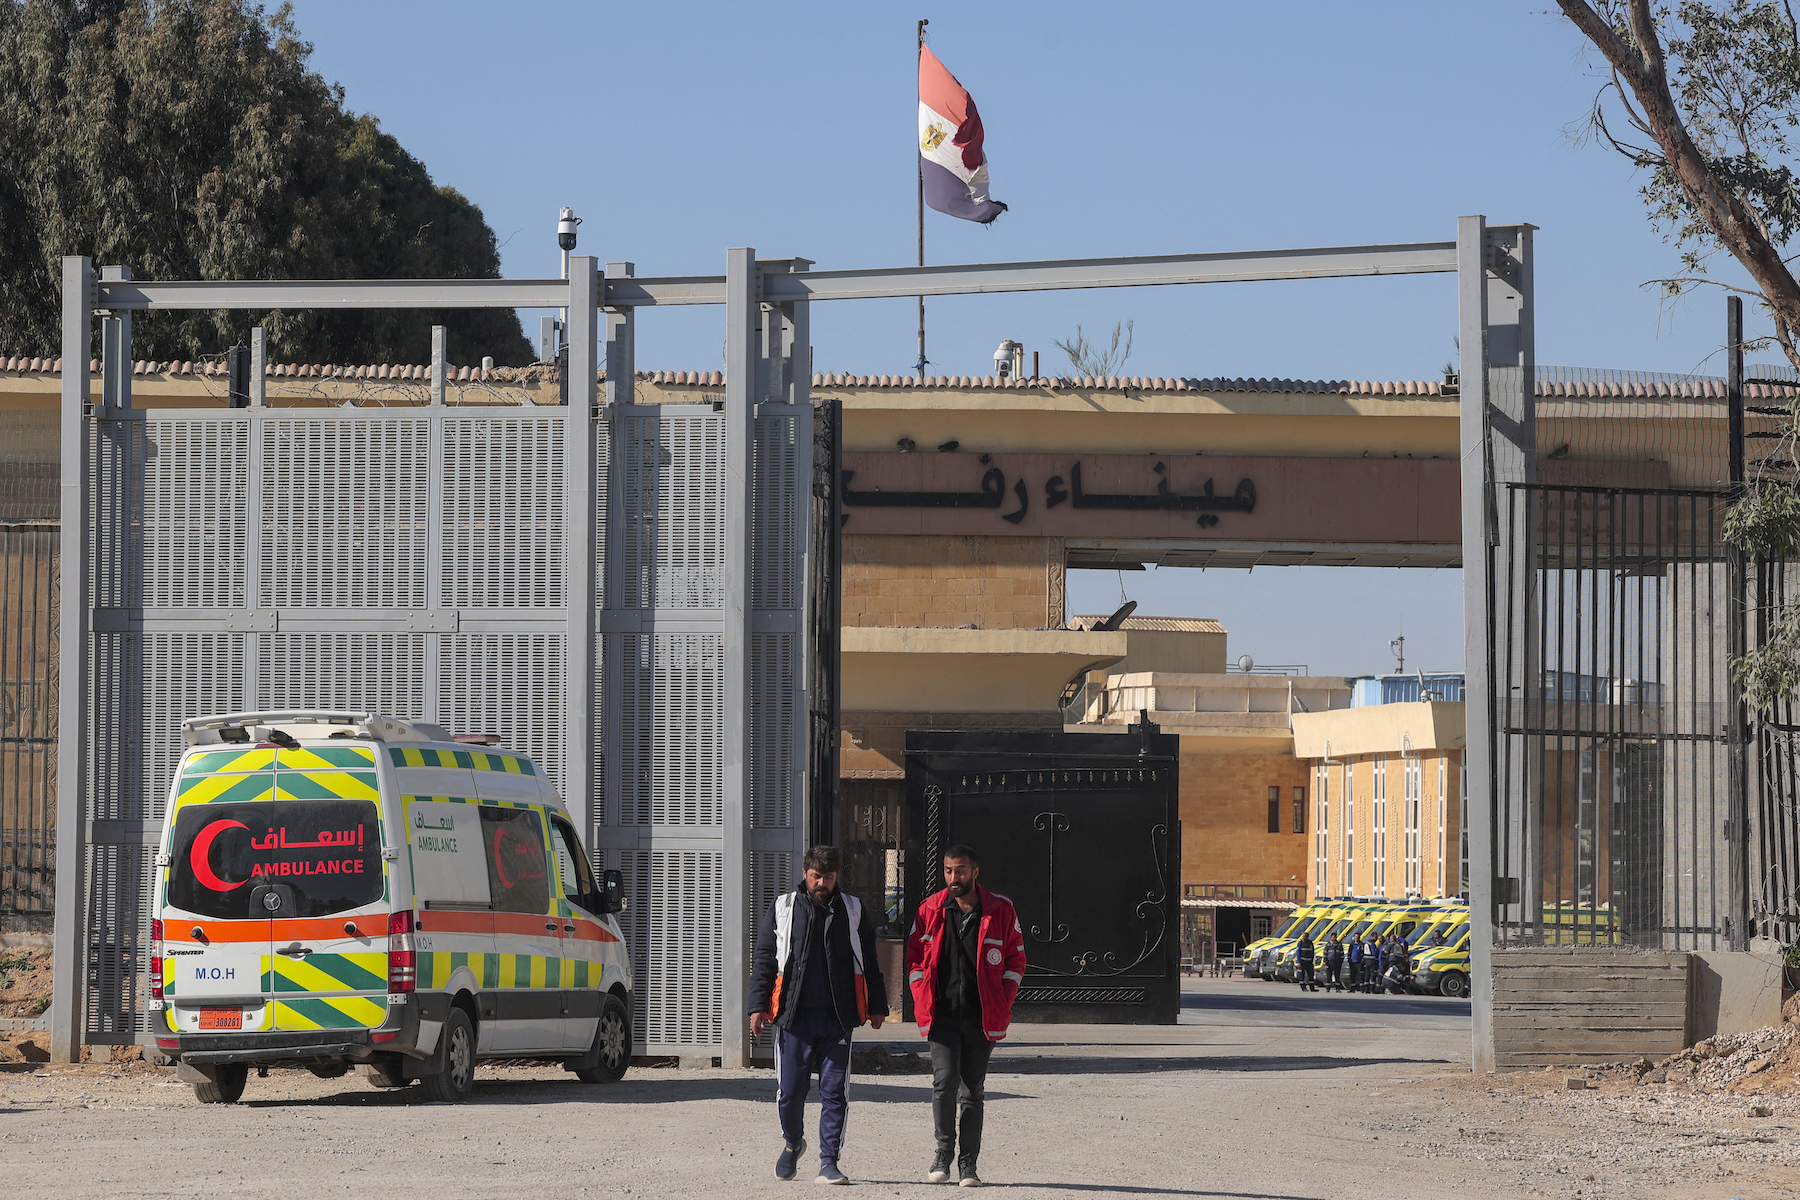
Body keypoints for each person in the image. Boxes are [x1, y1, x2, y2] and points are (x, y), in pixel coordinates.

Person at [748, 845, 888, 1185]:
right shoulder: (783, 908)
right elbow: (765, 958)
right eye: (816, 877)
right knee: (790, 1092)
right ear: (805, 873)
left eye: (828, 877)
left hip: (837, 1018)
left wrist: (877, 1005)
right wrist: (757, 1006)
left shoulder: (852, 909)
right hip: (793, 1018)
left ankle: (829, 1162)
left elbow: (869, 958)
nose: (821, 883)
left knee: (835, 1093)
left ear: (836, 876)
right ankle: (793, 1143)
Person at [905, 844, 1027, 1189]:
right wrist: (921, 995)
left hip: (981, 1017)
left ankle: (968, 1164)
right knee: (944, 1083)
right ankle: (943, 1153)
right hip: (942, 1014)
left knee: (973, 1089)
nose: (953, 877)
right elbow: (914, 959)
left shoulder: (1000, 909)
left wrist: (1003, 999)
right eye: (948, 870)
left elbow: (1016, 959)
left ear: (975, 872)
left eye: (960, 870)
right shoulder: (930, 909)